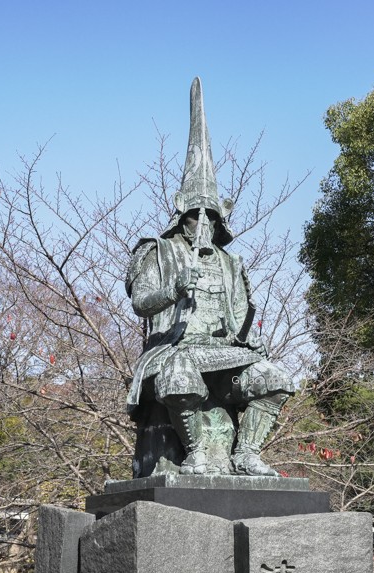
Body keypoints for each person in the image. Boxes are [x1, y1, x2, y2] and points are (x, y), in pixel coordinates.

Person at [125, 77, 294, 478]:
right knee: (181, 374)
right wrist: (174, 288)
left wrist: (246, 340)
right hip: (172, 350)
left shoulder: (231, 262)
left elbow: (237, 316)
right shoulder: (158, 250)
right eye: (194, 214)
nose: (202, 222)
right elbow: (140, 302)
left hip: (223, 354)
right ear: (180, 214)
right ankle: (197, 452)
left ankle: (247, 453)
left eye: (211, 215)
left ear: (221, 219)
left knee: (275, 376)